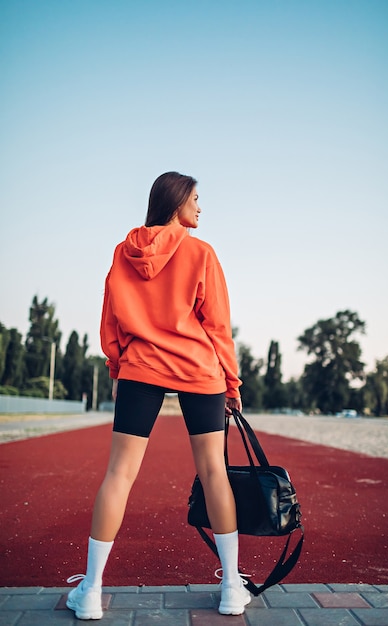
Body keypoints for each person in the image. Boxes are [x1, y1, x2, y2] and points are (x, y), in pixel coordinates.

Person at [66, 172, 251, 620]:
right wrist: (231, 381)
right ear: (176, 203)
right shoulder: (202, 253)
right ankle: (231, 588)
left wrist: (117, 366)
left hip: (141, 368)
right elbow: (217, 326)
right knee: (214, 473)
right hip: (199, 368)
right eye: (196, 199)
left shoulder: (123, 251)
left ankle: (90, 592)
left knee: (119, 475)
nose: (201, 207)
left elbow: (110, 319)